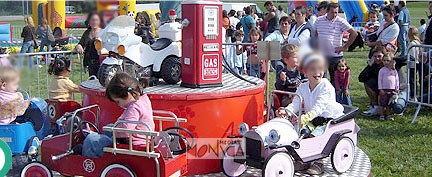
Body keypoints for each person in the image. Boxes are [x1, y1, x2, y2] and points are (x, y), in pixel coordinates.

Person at [277, 53, 343, 175]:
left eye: (320, 69)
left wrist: (305, 118)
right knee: (299, 132)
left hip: (328, 118)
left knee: (316, 134)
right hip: (312, 118)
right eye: (313, 69)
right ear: (305, 71)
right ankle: (304, 159)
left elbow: (319, 106)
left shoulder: (326, 86)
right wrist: (286, 110)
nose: (317, 72)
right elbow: (296, 102)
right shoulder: (302, 86)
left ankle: (319, 162)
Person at [83, 72, 154, 158]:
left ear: (127, 95)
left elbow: (126, 131)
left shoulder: (134, 107)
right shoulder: (143, 99)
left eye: (118, 101)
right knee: (108, 127)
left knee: (90, 139)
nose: (118, 105)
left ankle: (91, 161)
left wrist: (114, 132)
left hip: (131, 144)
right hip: (141, 139)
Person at [314, 2, 357, 86]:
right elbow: (315, 33)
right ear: (327, 11)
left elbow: (354, 33)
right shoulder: (319, 20)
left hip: (335, 56)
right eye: (332, 12)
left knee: (336, 80)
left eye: (336, 12)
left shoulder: (341, 21)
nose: (334, 14)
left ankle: (337, 97)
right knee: (321, 79)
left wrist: (345, 47)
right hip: (322, 55)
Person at [75, 12, 105, 77]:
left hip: (102, 64)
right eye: (92, 20)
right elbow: (81, 43)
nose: (94, 22)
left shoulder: (104, 32)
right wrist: (78, 46)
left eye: (96, 20)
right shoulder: (87, 32)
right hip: (90, 64)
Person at [361, 46, 386, 116]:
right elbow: (361, 78)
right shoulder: (374, 65)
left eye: (379, 56)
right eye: (375, 56)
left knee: (398, 108)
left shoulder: (389, 64)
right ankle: (376, 107)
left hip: (394, 90)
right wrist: (370, 65)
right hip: (380, 89)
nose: (377, 58)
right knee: (367, 83)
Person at [378, 53, 399, 121]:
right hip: (384, 89)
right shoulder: (382, 70)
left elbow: (397, 80)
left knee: (389, 104)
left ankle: (388, 115)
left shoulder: (394, 71)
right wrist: (380, 89)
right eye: (384, 60)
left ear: (392, 61)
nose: (386, 62)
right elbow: (380, 80)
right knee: (382, 103)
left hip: (392, 90)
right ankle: (381, 115)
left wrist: (397, 88)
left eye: (388, 60)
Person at [407, 26, 422, 99]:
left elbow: (412, 55)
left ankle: (413, 95)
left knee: (412, 80)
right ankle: (414, 94)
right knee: (414, 80)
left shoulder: (412, 43)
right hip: (417, 62)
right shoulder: (418, 42)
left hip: (412, 63)